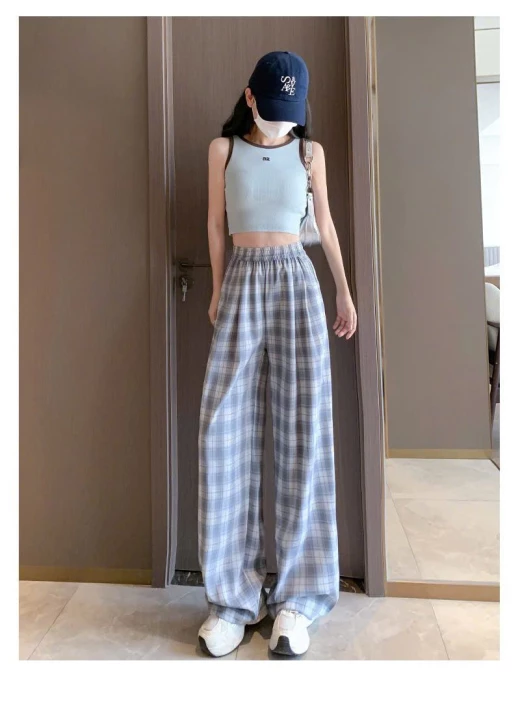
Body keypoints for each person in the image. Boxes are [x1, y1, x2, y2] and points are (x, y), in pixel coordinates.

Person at [197, 50, 357, 658]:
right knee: (225, 435)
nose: (282, 121)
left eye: (292, 111)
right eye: (272, 107)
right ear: (250, 97)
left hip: (296, 280)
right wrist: (218, 289)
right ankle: (233, 601)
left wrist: (343, 290)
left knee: (304, 433)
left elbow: (327, 224)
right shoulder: (223, 150)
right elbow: (215, 225)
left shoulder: (310, 153)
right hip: (242, 280)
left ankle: (297, 599)